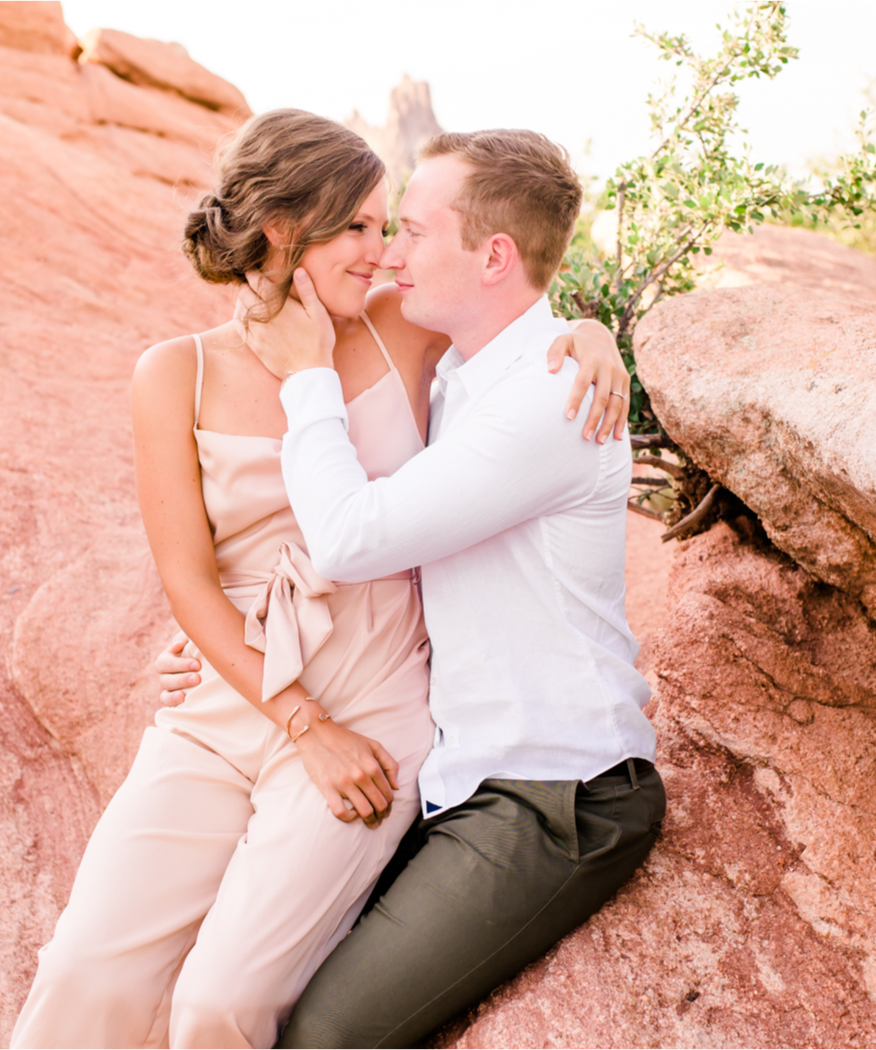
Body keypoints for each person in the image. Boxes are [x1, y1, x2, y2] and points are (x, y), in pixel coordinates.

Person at [9, 110, 628, 1050]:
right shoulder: (172, 373)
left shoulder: (394, 334)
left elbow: (507, 304)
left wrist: (590, 329)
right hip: (237, 705)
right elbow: (189, 583)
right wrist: (297, 716)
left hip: (376, 707)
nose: (381, 253)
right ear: (279, 229)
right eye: (359, 227)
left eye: (390, 227)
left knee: (219, 1004)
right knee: (83, 970)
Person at [225, 128, 666, 1049]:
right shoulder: (470, 371)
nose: (390, 252)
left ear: (494, 256)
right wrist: (220, 629)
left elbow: (351, 539)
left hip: (553, 792)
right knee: (250, 967)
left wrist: (309, 378)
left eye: (414, 232)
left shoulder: (549, 396)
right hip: (458, 777)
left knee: (324, 1036)